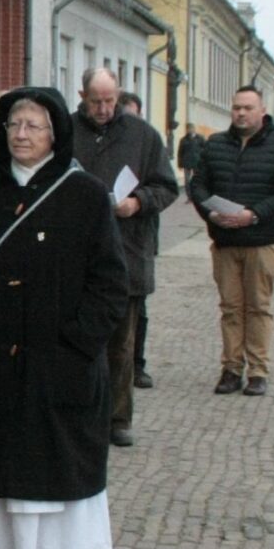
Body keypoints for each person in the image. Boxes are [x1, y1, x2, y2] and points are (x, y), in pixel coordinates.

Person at [0, 89, 127, 549]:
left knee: (58, 470)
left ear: (55, 135)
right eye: (14, 125)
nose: (22, 134)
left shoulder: (86, 196)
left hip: (60, 364)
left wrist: (78, 342)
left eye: (34, 125)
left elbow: (110, 283)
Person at [68, 68, 178, 448]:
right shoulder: (66, 132)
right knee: (78, 339)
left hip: (126, 249)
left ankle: (118, 416)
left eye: (109, 100)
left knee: (122, 343)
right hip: (76, 252)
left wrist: (138, 202)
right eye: (95, 100)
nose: (102, 108)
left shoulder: (143, 135)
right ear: (81, 94)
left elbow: (166, 186)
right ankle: (80, 412)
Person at [186, 86, 274, 396]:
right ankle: (231, 368)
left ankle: (258, 371)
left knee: (258, 307)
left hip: (263, 240)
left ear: (262, 111)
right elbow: (198, 186)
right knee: (230, 308)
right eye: (237, 107)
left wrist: (254, 215)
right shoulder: (215, 145)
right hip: (225, 240)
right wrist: (210, 214)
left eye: (248, 108)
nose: (240, 113)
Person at [118, 94, 156, 387]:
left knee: (135, 314)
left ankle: (137, 365)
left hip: (134, 240)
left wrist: (139, 201)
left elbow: (164, 186)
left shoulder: (146, 141)